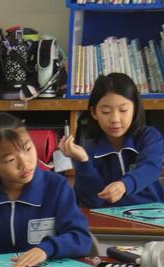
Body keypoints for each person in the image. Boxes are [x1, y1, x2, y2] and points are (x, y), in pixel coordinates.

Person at [0, 112, 92, 267]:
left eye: (28, 149)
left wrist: (46, 249)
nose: (25, 163)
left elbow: (80, 238)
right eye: (10, 160)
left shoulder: (56, 187)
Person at [59, 72, 164, 208]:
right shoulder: (90, 148)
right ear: (94, 113)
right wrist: (83, 162)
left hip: (151, 214)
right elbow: (93, 200)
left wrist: (124, 185)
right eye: (106, 112)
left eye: (123, 110)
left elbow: (150, 168)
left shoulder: (149, 137)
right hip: (109, 218)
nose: (115, 119)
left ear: (135, 109)